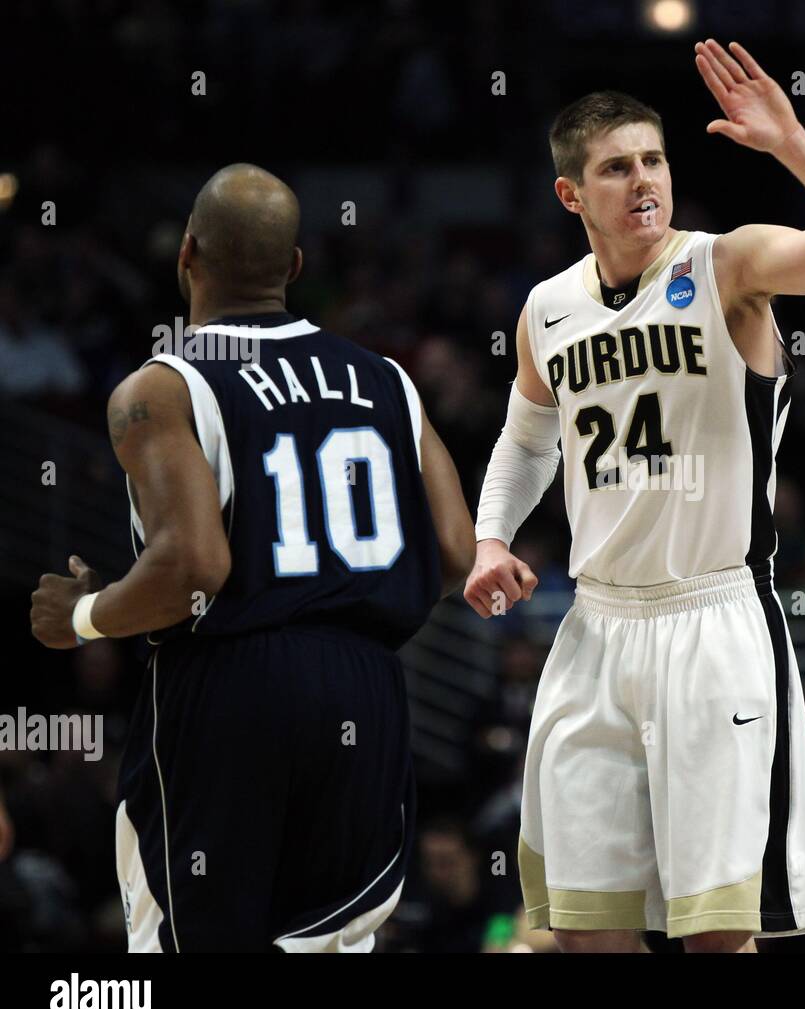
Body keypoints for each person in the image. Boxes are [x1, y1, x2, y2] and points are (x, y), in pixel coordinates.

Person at [464, 39, 805, 953]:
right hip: (593, 627)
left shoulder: (727, 267)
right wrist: (491, 535)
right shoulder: (546, 309)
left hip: (713, 619)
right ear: (570, 195)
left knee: (717, 936)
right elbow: (527, 435)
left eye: (653, 160)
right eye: (616, 168)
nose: (642, 181)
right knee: (588, 932)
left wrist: (791, 145)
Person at [30, 164, 476, 952]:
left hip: (233, 691)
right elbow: (454, 551)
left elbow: (193, 567)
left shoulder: (164, 387)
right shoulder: (388, 380)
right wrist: (344, 610)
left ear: (186, 256)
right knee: (329, 940)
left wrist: (84, 618)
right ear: (296, 266)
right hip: (367, 691)